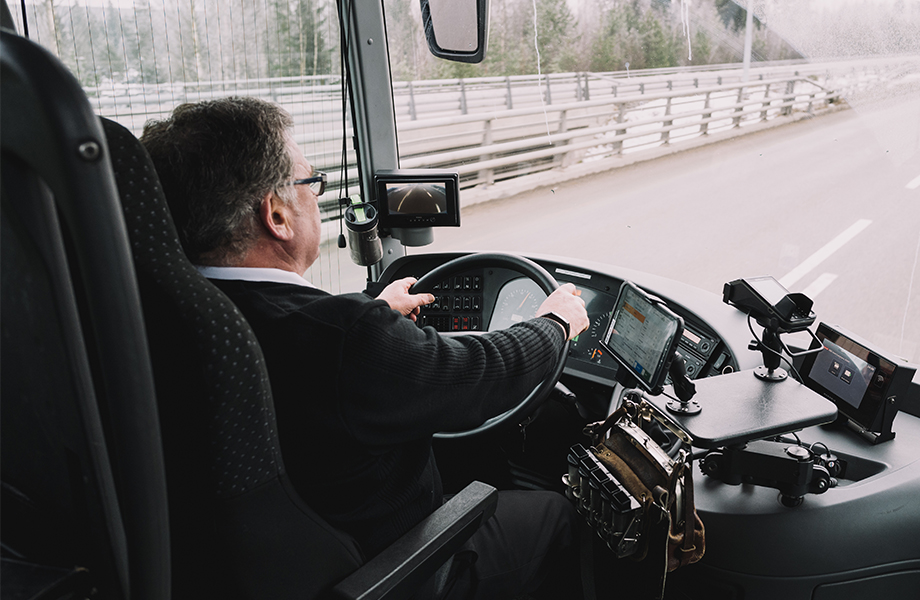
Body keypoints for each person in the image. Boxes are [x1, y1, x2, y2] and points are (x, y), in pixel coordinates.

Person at [140, 96, 589, 599]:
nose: (317, 196)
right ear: (277, 216)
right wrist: (555, 323)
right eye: (311, 183)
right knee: (553, 513)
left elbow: (307, 345)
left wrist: (374, 310)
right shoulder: (344, 338)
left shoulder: (168, 316)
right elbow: (483, 374)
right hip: (393, 566)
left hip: (257, 564)